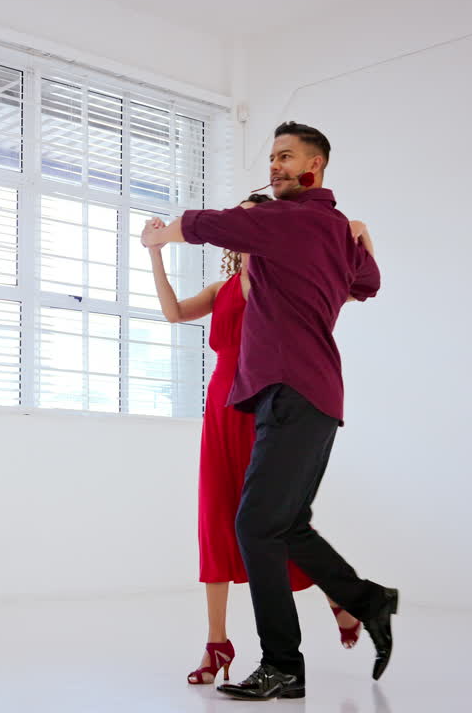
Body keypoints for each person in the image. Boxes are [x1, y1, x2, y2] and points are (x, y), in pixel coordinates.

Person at [141, 122, 397, 701]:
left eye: (285, 157)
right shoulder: (327, 229)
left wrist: (161, 235)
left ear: (314, 167)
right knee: (285, 524)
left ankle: (282, 663)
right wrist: (362, 238)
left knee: (255, 525)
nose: (275, 166)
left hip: (290, 390)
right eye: (273, 158)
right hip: (312, 396)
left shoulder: (291, 220)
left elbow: (209, 225)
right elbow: (368, 282)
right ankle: (367, 601)